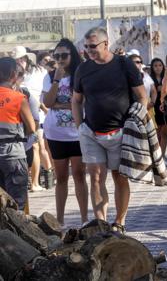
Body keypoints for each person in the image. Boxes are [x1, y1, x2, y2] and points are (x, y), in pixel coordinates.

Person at [72, 27, 147, 233]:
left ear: (106, 43)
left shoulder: (124, 65)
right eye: (86, 47)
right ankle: (102, 224)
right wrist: (80, 127)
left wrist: (136, 121)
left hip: (120, 132)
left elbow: (142, 95)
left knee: (119, 177)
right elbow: (76, 100)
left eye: (93, 46)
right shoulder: (83, 69)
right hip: (91, 132)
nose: (89, 51)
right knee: (95, 176)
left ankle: (120, 222)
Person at [42, 38, 89, 227]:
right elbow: (47, 102)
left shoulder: (81, 74)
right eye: (57, 55)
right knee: (61, 177)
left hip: (77, 133)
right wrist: (56, 79)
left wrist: (61, 104)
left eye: (64, 55)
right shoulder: (51, 75)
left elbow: (84, 101)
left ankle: (85, 218)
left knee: (79, 174)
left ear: (73, 55)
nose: (60, 59)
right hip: (56, 134)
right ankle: (59, 220)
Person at [13, 46, 54, 191]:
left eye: (21, 58)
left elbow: (44, 92)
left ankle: (38, 181)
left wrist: (43, 106)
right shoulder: (16, 75)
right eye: (17, 59)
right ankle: (40, 179)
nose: (19, 61)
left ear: (26, 58)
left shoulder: (38, 72)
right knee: (38, 147)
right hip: (23, 114)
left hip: (38, 112)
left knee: (38, 146)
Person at [0, 57, 35, 209]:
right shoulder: (19, 98)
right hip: (13, 153)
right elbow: (32, 128)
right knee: (17, 202)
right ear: (14, 75)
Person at [129, 54, 157, 125]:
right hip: (131, 110)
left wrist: (152, 103)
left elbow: (153, 91)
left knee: (149, 132)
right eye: (134, 62)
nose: (137, 64)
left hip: (147, 107)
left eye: (139, 62)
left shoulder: (146, 75)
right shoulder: (125, 77)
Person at [150, 58, 167, 158]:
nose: (158, 68)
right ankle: (157, 155)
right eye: (155, 66)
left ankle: (163, 155)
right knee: (157, 133)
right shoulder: (149, 78)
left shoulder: (166, 77)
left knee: (165, 132)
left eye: (160, 65)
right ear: (152, 67)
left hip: (165, 106)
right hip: (154, 107)